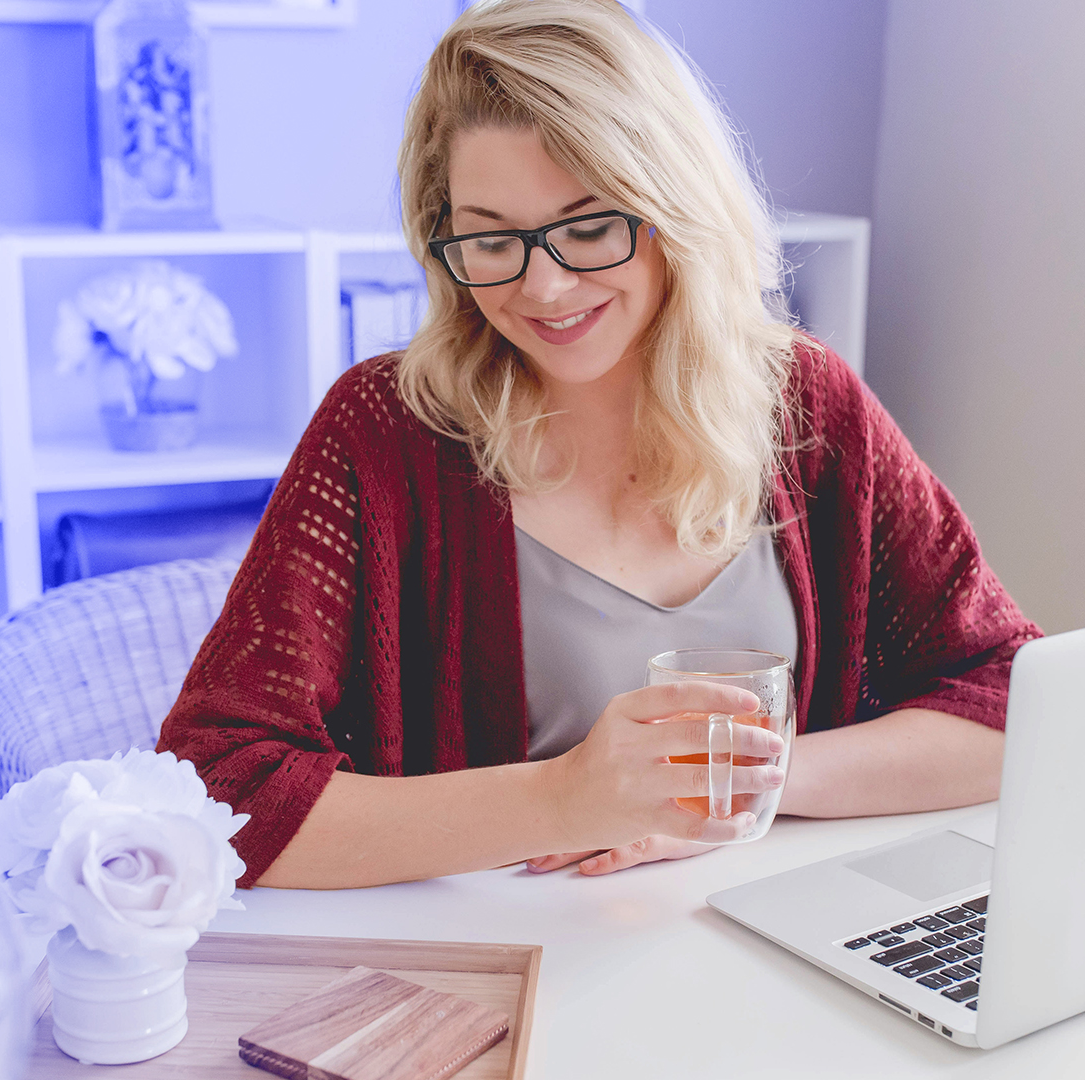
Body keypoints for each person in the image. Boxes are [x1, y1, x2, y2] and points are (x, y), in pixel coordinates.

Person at [156, 0, 1040, 889]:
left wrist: (734, 787)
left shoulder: (808, 408)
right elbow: (213, 789)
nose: (543, 286)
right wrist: (565, 798)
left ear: (676, 209)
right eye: (493, 237)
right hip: (501, 970)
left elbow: (1015, 701)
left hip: (762, 952)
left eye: (589, 226)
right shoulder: (385, 432)